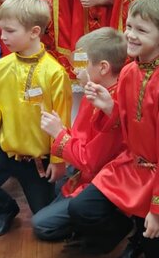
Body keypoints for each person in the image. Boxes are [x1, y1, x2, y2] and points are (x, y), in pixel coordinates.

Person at [64, 0, 159, 258]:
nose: (130, 35)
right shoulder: (129, 72)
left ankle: (142, 239)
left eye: (141, 30)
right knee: (81, 209)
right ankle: (135, 231)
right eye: (129, 26)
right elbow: (127, 123)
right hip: (130, 166)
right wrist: (110, 107)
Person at [0, 0, 72, 237]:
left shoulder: (54, 73)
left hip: (38, 160)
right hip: (6, 151)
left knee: (47, 227)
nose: (3, 36)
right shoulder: (1, 67)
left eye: (10, 31)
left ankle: (66, 187)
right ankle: (6, 209)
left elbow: (62, 120)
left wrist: (58, 160)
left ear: (34, 32)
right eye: (1, 29)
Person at [32, 28, 128, 243]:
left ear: (103, 67)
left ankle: (116, 226)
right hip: (83, 170)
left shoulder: (112, 105)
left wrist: (59, 133)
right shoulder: (94, 91)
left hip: (103, 179)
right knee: (51, 195)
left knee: (41, 225)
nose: (75, 69)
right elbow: (81, 141)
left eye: (81, 63)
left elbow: (91, 161)